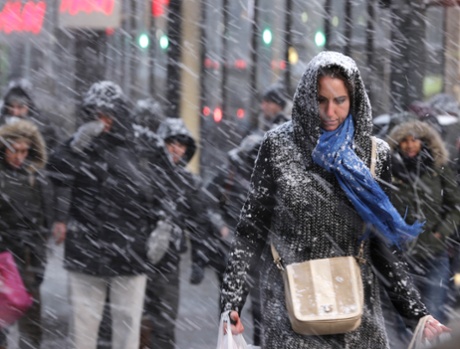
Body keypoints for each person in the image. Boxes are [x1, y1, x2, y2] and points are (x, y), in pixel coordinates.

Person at [220, 51, 450, 348]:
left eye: (340, 101)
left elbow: (381, 244)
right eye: (321, 100)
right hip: (292, 309)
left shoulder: (373, 153)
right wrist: (231, 303)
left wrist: (417, 313)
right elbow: (251, 230)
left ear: (353, 100)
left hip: (357, 313)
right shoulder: (277, 146)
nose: (330, 112)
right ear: (306, 99)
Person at [47, 81, 159, 349]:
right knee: (83, 326)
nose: (101, 121)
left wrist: (161, 225)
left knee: (127, 325)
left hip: (129, 248)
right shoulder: (79, 145)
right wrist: (75, 147)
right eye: (95, 114)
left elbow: (159, 188)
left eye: (106, 114)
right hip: (87, 247)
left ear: (119, 113)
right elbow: (54, 171)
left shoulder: (139, 145)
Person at [140, 117, 210, 349]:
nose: (176, 148)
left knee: (165, 324)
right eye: (172, 142)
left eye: (181, 144)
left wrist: (199, 259)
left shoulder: (189, 182)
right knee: (137, 323)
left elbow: (199, 223)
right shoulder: (144, 175)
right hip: (138, 258)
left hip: (169, 262)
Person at [386, 120, 460, 322]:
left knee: (434, 314)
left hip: (435, 253)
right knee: (407, 319)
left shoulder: (438, 168)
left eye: (415, 139)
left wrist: (440, 232)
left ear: (424, 142)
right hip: (402, 254)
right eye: (405, 140)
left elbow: (456, 206)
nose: (410, 145)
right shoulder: (390, 171)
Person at [204, 133, 264, 345]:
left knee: (260, 311)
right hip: (231, 251)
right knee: (231, 310)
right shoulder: (228, 174)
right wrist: (221, 227)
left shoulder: (267, 177)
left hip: (259, 252)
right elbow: (208, 203)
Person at [0, 120, 54, 349]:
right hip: (3, 257)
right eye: (14, 150)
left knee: (31, 322)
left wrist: (39, 255)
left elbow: (44, 220)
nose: (19, 156)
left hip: (28, 256)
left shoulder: (36, 178)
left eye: (24, 151)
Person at [1, 79, 59, 151]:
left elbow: (53, 150)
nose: (15, 112)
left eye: (20, 107)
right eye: (11, 107)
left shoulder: (42, 126)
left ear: (29, 106)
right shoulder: (2, 123)